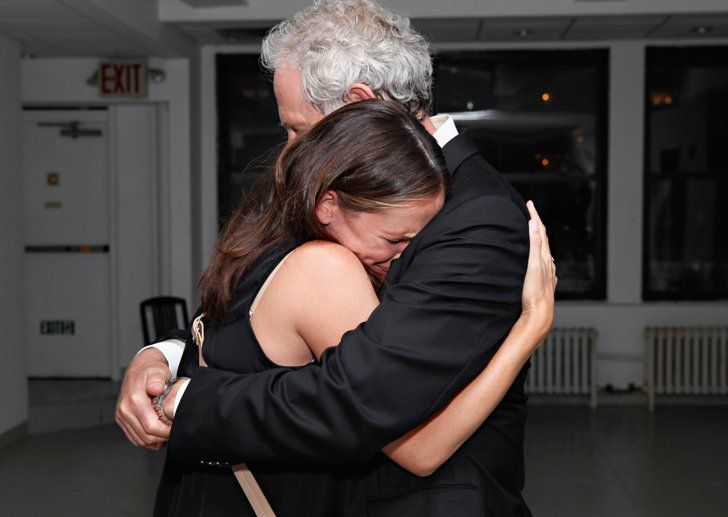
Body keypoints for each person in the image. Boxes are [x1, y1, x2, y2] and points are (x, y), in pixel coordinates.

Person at [116, 1, 555, 514]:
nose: (289, 150)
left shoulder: (474, 215)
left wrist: (189, 398)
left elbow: (358, 401)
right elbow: (248, 302)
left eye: (298, 129)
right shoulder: (335, 186)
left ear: (358, 103)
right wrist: (164, 355)